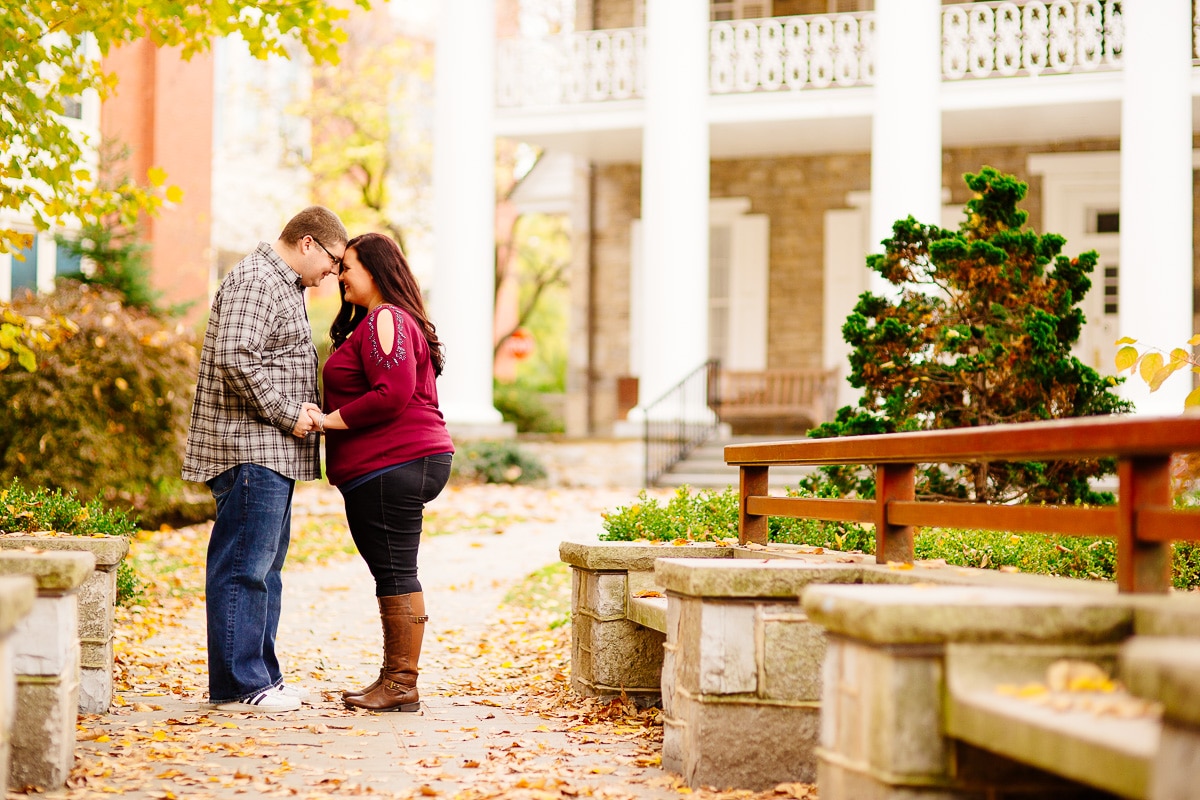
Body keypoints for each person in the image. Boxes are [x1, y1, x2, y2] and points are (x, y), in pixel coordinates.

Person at [183, 206, 348, 713]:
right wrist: (287, 412)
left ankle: (263, 678)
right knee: (243, 568)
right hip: (250, 448)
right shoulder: (257, 278)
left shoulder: (283, 284)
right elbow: (237, 356)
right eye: (333, 260)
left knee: (265, 569)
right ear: (307, 243)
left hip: (270, 452)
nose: (333, 274)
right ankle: (240, 684)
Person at [307, 232, 454, 713]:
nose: (340, 276)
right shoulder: (387, 321)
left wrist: (328, 421)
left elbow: (392, 392)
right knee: (391, 570)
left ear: (375, 269)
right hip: (396, 462)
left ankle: (400, 685)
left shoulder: (387, 317)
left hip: (395, 461)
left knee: (395, 571)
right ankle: (394, 678)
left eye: (347, 266)